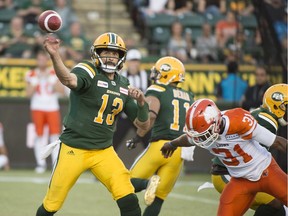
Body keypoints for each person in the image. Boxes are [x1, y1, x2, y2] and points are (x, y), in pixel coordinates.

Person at [36, 32, 150, 216]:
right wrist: (55, 55)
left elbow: (142, 126)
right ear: (96, 53)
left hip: (103, 151)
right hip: (74, 148)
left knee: (128, 196)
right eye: (106, 52)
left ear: (121, 58)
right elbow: (68, 79)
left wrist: (143, 105)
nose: (111, 57)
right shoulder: (88, 70)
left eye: (115, 54)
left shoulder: (123, 83)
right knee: (52, 204)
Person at [160, 98, 288, 216]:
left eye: (204, 134)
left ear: (216, 122)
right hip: (240, 180)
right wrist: (172, 144)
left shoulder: (238, 120)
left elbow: (277, 142)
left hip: (266, 171)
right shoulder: (202, 133)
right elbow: (188, 139)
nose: (201, 139)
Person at [127, 56, 195, 216]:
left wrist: (137, 137)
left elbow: (150, 117)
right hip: (180, 151)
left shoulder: (157, 90)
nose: (155, 74)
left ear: (167, 74)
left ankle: (148, 183)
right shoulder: (189, 96)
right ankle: (150, 184)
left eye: (158, 72)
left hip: (160, 147)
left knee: (126, 184)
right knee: (158, 199)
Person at [211, 83, 288, 216]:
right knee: (276, 206)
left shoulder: (262, 115)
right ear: (278, 106)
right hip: (229, 174)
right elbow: (258, 160)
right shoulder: (267, 121)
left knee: (275, 205)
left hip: (232, 171)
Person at [25, 50, 65, 173]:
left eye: (43, 59)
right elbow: (28, 94)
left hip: (52, 107)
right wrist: (36, 81)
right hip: (37, 107)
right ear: (36, 60)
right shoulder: (31, 74)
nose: (41, 61)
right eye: (39, 59)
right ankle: (40, 163)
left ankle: (54, 163)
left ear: (47, 60)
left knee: (54, 135)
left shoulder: (53, 73)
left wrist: (50, 80)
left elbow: (62, 92)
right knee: (39, 135)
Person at [113, 48, 151, 151]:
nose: (134, 64)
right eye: (132, 61)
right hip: (124, 116)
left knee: (148, 142)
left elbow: (149, 96)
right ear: (127, 62)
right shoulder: (120, 77)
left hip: (139, 116)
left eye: (136, 61)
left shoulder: (146, 77)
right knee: (113, 143)